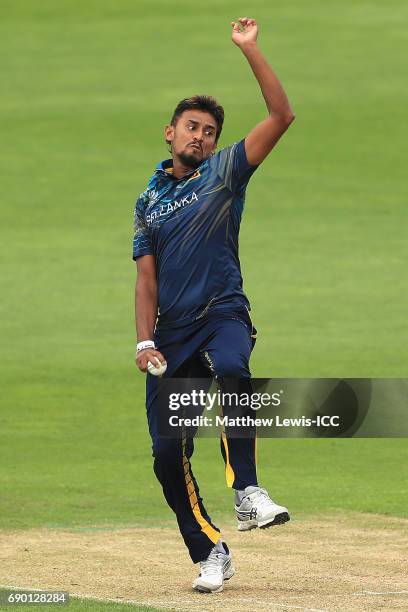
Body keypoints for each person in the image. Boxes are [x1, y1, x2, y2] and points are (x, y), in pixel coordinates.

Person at [133, 17, 295, 593]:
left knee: (232, 368)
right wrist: (144, 339)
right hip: (170, 338)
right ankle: (211, 550)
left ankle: (248, 491)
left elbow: (281, 117)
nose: (201, 136)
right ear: (169, 134)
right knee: (164, 457)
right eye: (192, 128)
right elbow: (145, 278)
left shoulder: (226, 174)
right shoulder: (148, 203)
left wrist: (250, 50)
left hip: (224, 315)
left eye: (209, 130)